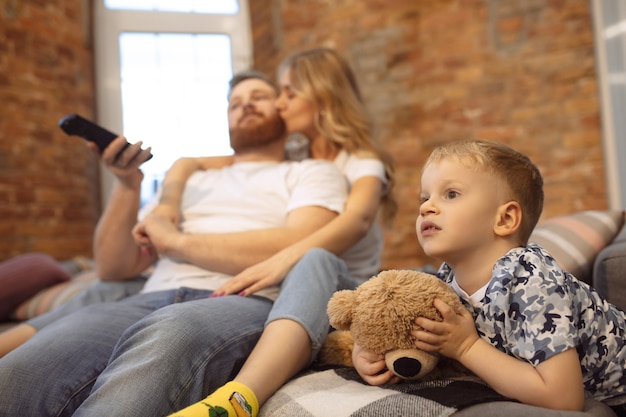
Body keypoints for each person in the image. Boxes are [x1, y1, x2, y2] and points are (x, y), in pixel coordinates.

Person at [0, 70, 349, 416]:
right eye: (235, 103)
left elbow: (296, 243)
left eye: (258, 97)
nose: (245, 106)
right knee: (20, 372)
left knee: (169, 333)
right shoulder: (187, 182)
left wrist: (174, 241)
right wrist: (126, 185)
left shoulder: (312, 172)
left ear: (281, 109)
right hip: (148, 297)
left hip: (239, 299)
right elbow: (114, 267)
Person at [161, 47, 397, 417]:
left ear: (321, 99)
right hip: (300, 287)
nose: (280, 104)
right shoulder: (298, 162)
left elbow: (357, 221)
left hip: (343, 285)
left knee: (315, 258)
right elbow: (198, 161)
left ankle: (239, 400)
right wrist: (174, 187)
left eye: (289, 93)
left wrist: (283, 258)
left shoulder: (362, 162)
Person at [352, 139, 626, 415]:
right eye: (425, 198)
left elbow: (564, 401)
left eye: (451, 194)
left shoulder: (532, 282)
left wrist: (466, 347)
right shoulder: (446, 277)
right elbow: (410, 332)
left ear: (505, 219)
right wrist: (366, 354)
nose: (426, 208)